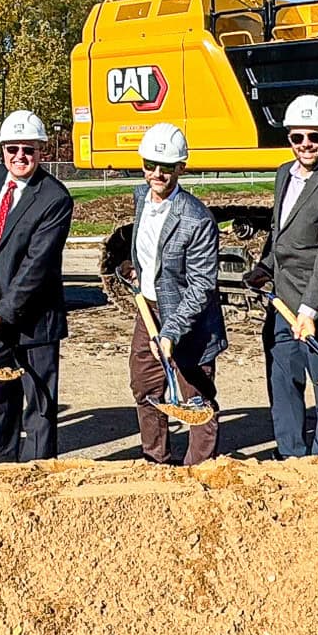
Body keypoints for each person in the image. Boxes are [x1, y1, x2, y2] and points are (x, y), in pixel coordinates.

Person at [0, 109, 74, 463]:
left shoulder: (55, 199)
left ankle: (35, 475)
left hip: (34, 319)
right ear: (2, 149)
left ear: (42, 152)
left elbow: (38, 266)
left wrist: (2, 314)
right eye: (12, 149)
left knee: (38, 403)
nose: (19, 157)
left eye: (29, 150)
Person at [246, 95, 318, 457]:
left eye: (314, 136)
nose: (306, 145)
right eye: (298, 137)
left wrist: (309, 312)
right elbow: (279, 231)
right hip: (283, 303)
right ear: (289, 138)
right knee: (283, 384)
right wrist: (265, 267)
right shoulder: (284, 173)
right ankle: (290, 456)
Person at [124, 122, 228, 465]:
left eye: (166, 167)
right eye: (149, 165)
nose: (156, 174)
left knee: (195, 398)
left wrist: (171, 332)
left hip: (190, 319)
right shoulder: (141, 197)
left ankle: (200, 470)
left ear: (181, 168)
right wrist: (135, 270)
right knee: (145, 385)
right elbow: (149, 250)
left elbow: (201, 286)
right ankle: (156, 460)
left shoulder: (196, 219)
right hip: (149, 310)